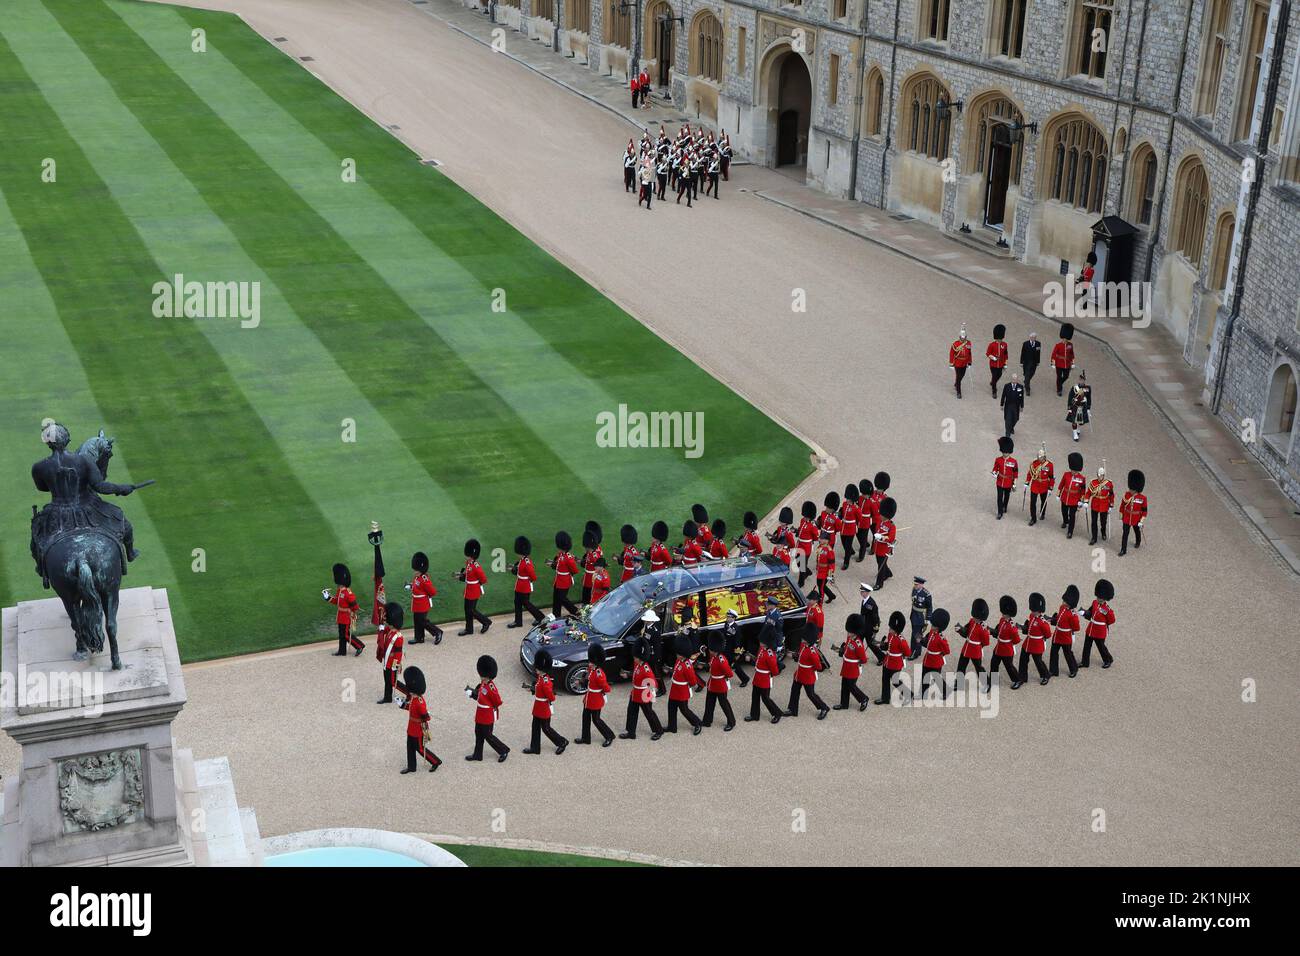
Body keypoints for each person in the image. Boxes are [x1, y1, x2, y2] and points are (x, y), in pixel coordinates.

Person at [522, 649, 569, 755]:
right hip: (538, 707)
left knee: (546, 728)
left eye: (538, 668)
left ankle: (562, 742)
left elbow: (551, 697)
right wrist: (533, 690)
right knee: (535, 728)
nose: (536, 669)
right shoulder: (541, 678)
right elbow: (539, 690)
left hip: (543, 708)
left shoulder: (545, 681)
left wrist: (545, 695)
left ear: (542, 669)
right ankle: (535, 748)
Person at [396, 666, 440, 774]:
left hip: (418, 729)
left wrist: (425, 725)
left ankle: (435, 761)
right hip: (411, 727)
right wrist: (402, 705)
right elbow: (411, 709)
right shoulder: (414, 698)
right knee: (410, 748)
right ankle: (411, 767)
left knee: (420, 749)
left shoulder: (420, 701)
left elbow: (425, 717)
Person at [466, 655, 509, 762]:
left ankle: (503, 750)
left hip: (487, 715)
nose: (482, 678)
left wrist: (489, 707)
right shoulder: (482, 684)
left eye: (483, 676)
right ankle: (477, 754)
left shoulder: (491, 688)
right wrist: (472, 694)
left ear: (488, 675)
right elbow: (480, 698)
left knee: (488, 735)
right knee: (478, 734)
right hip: (480, 714)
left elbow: (497, 701)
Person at [621, 638, 665, 740]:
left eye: (635, 657)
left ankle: (658, 730)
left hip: (644, 693)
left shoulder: (646, 669)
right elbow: (637, 674)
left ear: (640, 657)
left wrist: (649, 696)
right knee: (631, 712)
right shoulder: (638, 664)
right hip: (635, 692)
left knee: (649, 713)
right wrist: (628, 675)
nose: (634, 658)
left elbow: (653, 683)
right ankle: (631, 732)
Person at [576, 643, 616, 746]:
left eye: (591, 662)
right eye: (590, 662)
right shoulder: (591, 669)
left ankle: (609, 736)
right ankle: (585, 738)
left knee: (596, 720)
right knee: (585, 718)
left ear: (596, 663)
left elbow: (607, 688)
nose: (589, 664)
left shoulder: (599, 674)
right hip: (588, 698)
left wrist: (600, 690)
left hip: (595, 700)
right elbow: (588, 681)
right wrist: (580, 682)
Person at [785, 630, 830, 720]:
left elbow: (819, 667)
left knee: (811, 694)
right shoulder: (803, 646)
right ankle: (792, 709)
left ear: (808, 639)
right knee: (794, 691)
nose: (802, 638)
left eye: (804, 638)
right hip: (799, 674)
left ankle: (824, 708)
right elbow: (800, 657)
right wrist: (794, 656)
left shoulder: (813, 652)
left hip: (807, 676)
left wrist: (808, 668)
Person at [666, 633, 704, 734]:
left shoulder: (687, 665)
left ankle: (697, 723)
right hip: (675, 689)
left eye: (678, 653)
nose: (676, 654)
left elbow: (692, 681)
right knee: (671, 708)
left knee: (684, 710)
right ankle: (672, 726)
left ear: (682, 654)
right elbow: (676, 672)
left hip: (682, 691)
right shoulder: (679, 661)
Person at [744, 627, 784, 723]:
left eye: (762, 641)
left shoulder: (770, 654)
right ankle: (754, 715)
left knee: (765, 698)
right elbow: (759, 660)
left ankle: (776, 713)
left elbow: (774, 671)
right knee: (755, 696)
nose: (760, 642)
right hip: (758, 677)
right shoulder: (762, 649)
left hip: (765, 679)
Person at [324, 563, 365, 656]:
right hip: (340, 617)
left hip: (346, 617)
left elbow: (354, 605)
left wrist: (352, 613)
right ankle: (342, 651)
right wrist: (328, 598)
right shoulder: (340, 590)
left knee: (346, 635)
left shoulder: (347, 592)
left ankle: (359, 646)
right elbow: (336, 601)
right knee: (341, 635)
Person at [833, 614, 871, 711]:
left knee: (851, 686)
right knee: (844, 685)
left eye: (849, 631)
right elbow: (846, 649)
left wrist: (856, 662)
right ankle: (844, 704)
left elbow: (864, 659)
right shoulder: (849, 638)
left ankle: (863, 699)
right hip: (846, 665)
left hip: (853, 668)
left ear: (855, 632)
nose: (848, 633)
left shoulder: (858, 644)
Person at [701, 633, 737, 731]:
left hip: (720, 685)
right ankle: (707, 721)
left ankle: (731, 722)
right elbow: (711, 665)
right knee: (709, 703)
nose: (709, 650)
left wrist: (721, 677)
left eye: (711, 649)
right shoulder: (713, 656)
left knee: (724, 704)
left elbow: (730, 674)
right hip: (712, 683)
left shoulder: (722, 660)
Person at [508, 536, 546, 629]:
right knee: (517, 602)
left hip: (524, 586)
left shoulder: (527, 562)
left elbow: (533, 576)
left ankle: (540, 617)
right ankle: (518, 621)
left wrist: (526, 581)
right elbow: (519, 571)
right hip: (519, 585)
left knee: (526, 603)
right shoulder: (521, 561)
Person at [406, 552, 443, 645]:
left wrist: (425, 595)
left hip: (422, 603)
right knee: (417, 621)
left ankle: (437, 632)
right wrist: (410, 586)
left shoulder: (424, 579)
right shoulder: (417, 577)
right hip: (416, 603)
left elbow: (432, 592)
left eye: (416, 569)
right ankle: (419, 638)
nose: (414, 571)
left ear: (420, 569)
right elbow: (416, 586)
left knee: (423, 622)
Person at [954, 599, 991, 692]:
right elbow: (966, 632)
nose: (974, 618)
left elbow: (986, 642)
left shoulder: (983, 628)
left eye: (976, 617)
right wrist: (960, 629)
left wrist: (978, 646)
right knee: (961, 666)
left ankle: (987, 683)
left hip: (975, 650)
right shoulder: (972, 621)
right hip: (966, 647)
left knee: (979, 668)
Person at [456, 539, 491, 635]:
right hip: (468, 589)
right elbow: (467, 575)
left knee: (471, 610)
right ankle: (469, 629)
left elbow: (483, 579)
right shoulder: (468, 563)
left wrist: (474, 583)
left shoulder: (476, 566)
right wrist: (460, 576)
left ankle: (486, 622)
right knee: (467, 610)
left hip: (474, 590)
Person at [1080, 578, 1116, 669]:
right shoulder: (1095, 602)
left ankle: (1108, 659)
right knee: (1086, 646)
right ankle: (1085, 662)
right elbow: (1090, 612)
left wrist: (1103, 624)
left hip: (1099, 631)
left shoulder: (1106, 609)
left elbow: (1111, 620)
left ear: (1105, 598)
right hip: (1091, 629)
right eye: (1098, 597)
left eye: (1101, 598)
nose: (1099, 599)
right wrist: (1084, 612)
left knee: (1101, 647)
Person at [990, 596, 1024, 689]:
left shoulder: (1012, 627)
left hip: (1006, 650)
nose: (1002, 614)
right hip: (999, 647)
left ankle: (1018, 680)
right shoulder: (1002, 620)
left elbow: (1016, 640)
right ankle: (993, 681)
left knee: (1009, 667)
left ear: (1009, 614)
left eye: (1004, 613)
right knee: (994, 664)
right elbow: (999, 632)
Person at [1018, 593, 1052, 685]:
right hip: (1028, 642)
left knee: (1038, 662)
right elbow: (1029, 627)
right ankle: (1022, 678)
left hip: (1036, 645)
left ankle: (1045, 675)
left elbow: (1048, 635)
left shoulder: (1043, 622)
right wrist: (1022, 627)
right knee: (1023, 660)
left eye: (1034, 610)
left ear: (1039, 610)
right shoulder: (1032, 616)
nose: (1032, 612)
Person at [1049, 586, 1081, 678]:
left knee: (1068, 654)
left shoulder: (1073, 615)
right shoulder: (1062, 608)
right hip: (1057, 634)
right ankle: (1053, 670)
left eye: (1065, 601)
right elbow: (1059, 619)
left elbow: (1076, 628)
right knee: (1054, 652)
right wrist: (1052, 620)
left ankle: (1073, 669)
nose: (1063, 602)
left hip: (1066, 636)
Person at [878, 611, 910, 704]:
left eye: (891, 628)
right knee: (885, 679)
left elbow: (908, 652)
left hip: (895, 663)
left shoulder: (901, 640)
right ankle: (885, 698)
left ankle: (908, 695)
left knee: (895, 681)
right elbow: (889, 645)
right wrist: (882, 645)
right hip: (887, 661)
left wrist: (899, 655)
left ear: (896, 629)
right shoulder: (890, 635)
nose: (889, 629)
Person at [919, 608, 952, 700]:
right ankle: (923, 693)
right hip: (928, 659)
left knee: (936, 678)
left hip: (936, 661)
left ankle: (946, 691)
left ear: (938, 627)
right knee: (924, 676)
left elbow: (947, 650)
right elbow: (927, 643)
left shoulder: (941, 638)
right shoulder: (931, 632)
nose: (931, 626)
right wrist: (920, 640)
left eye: (933, 625)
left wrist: (939, 655)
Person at [376, 602, 405, 704]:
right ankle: (387, 697)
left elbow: (398, 654)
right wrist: (381, 624)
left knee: (393, 682)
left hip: (392, 664)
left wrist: (394, 666)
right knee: (387, 681)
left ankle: (409, 693)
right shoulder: (390, 630)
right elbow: (383, 630)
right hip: (386, 662)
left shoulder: (398, 637)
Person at [547, 531, 580, 618]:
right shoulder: (561, 554)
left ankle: (576, 611)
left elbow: (575, 570)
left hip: (564, 581)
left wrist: (566, 574)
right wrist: (552, 564)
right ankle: (555, 615)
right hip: (558, 580)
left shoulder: (568, 558)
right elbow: (558, 565)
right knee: (556, 598)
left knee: (562, 598)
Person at [1118, 469, 1149, 557]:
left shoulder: (1142, 498)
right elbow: (1122, 504)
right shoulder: (1127, 495)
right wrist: (1121, 514)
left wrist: (1141, 521)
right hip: (1127, 517)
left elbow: (1144, 511)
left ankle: (1138, 541)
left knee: (1137, 531)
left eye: (1132, 489)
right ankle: (1123, 550)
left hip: (1136, 518)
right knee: (1125, 534)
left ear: (1136, 489)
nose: (1130, 490)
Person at [1058, 452, 1086, 539]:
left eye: (1075, 470)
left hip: (1074, 500)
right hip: (1065, 497)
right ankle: (1065, 521)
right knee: (1064, 512)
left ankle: (1070, 531)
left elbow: (1083, 491)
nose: (1073, 472)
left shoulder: (1082, 479)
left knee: (1072, 516)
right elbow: (1061, 484)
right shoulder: (1066, 475)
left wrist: (1081, 501)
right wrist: (1058, 494)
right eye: (1072, 470)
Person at [1084, 464, 1114, 546]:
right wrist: (1086, 502)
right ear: (1097, 474)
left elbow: (1111, 495)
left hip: (1104, 504)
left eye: (1102, 475)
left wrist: (1111, 505)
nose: (1100, 477)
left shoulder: (1108, 484)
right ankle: (1094, 537)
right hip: (1095, 504)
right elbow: (1088, 493)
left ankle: (1103, 532)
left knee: (1103, 521)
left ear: (1104, 475)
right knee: (1094, 522)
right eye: (1099, 475)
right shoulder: (1093, 482)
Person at [1026, 445, 1055, 527]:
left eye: (1041, 457)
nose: (1039, 459)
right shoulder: (1034, 463)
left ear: (1044, 457)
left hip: (1044, 485)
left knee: (1043, 501)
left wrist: (1051, 487)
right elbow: (1030, 473)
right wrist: (1027, 482)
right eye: (1038, 457)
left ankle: (1042, 513)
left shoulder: (1049, 465)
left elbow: (1051, 477)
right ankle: (1033, 518)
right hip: (1035, 485)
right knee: (1032, 502)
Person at [872, 497, 898, 590]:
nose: (881, 515)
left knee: (880, 565)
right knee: (880, 562)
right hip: (877, 546)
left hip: (884, 549)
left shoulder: (891, 526)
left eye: (883, 515)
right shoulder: (880, 519)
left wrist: (883, 537)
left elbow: (891, 538)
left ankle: (879, 583)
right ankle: (888, 573)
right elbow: (876, 528)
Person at [721, 607, 750, 686]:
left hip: (731, 651)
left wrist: (737, 654)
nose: (727, 618)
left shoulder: (735, 628)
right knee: (724, 664)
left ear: (733, 618)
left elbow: (737, 642)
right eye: (727, 616)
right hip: (725, 649)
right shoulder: (726, 624)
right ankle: (724, 677)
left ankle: (745, 679)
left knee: (735, 666)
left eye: (729, 617)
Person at [992, 436, 1018, 520]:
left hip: (1008, 482)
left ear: (1009, 452)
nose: (1005, 453)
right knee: (999, 497)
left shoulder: (1014, 461)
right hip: (1000, 481)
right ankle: (1000, 512)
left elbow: (1015, 473)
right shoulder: (998, 459)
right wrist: (994, 473)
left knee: (1006, 496)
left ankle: (1005, 507)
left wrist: (1014, 483)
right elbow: (995, 468)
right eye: (1003, 452)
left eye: (1006, 452)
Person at [908, 576, 932, 659]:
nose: (915, 586)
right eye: (915, 584)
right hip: (914, 615)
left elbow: (929, 607)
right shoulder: (914, 589)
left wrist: (928, 619)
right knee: (916, 633)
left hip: (920, 617)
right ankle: (916, 651)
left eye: (917, 584)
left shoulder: (926, 594)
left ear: (921, 585)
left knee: (916, 635)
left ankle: (914, 652)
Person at [810, 531, 837, 604]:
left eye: (821, 538)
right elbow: (818, 558)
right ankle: (831, 595)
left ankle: (820, 602)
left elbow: (832, 564)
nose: (819, 539)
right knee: (821, 585)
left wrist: (830, 575)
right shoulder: (820, 547)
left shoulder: (829, 551)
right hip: (820, 570)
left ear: (826, 540)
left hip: (825, 572)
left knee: (821, 588)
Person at [837, 485, 861, 570]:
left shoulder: (856, 508)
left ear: (852, 499)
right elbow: (842, 513)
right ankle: (851, 551)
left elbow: (859, 518)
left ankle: (846, 562)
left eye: (848, 498)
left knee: (847, 546)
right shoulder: (844, 504)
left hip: (851, 529)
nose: (846, 500)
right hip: (843, 526)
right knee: (844, 542)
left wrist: (856, 526)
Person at [580, 521, 604, 604]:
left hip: (591, 577)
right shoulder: (595, 550)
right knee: (586, 594)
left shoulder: (594, 555)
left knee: (588, 595)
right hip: (588, 576)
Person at [795, 501, 818, 586]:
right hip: (799, 545)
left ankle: (801, 583)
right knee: (797, 562)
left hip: (806, 547)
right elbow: (800, 530)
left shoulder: (812, 526)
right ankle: (808, 572)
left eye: (805, 516)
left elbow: (816, 537)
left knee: (802, 566)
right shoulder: (802, 520)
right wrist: (796, 531)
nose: (803, 517)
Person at [854, 478, 876, 562]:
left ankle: (861, 556)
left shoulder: (871, 502)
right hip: (858, 521)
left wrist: (869, 519)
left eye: (866, 494)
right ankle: (866, 544)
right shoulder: (859, 498)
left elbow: (874, 513)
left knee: (862, 540)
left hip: (866, 523)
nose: (865, 495)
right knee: (858, 535)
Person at [1067, 370, 1092, 441]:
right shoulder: (1074, 387)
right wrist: (1069, 407)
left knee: (1081, 422)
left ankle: (1078, 428)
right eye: (1080, 380)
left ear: (1085, 380)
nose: (1081, 381)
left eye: (1083, 380)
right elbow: (1070, 397)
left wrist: (1088, 409)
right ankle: (1075, 434)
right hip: (1075, 406)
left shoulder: (1088, 388)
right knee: (1074, 421)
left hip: (1083, 406)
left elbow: (1089, 398)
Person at [1052, 323, 1076, 396]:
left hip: (1067, 363)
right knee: (1059, 377)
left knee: (1066, 376)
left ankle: (1059, 384)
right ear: (1062, 337)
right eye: (1064, 338)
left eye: (1066, 338)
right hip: (1059, 363)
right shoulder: (1058, 345)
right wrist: (1053, 363)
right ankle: (1059, 390)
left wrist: (1073, 363)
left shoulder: (1070, 345)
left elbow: (1072, 354)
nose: (1065, 339)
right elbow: (1053, 354)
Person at [949, 325, 973, 398]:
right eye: (962, 338)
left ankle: (956, 383)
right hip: (957, 362)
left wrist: (969, 362)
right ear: (959, 337)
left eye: (964, 338)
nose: (963, 339)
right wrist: (951, 364)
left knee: (962, 375)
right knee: (959, 377)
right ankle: (958, 392)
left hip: (964, 362)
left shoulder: (968, 343)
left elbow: (969, 353)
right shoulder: (955, 344)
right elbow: (951, 354)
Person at [986, 323, 1009, 398]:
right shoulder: (992, 345)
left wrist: (1005, 364)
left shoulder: (1005, 345)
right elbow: (988, 353)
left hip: (1001, 364)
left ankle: (993, 382)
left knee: (999, 375)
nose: (1000, 339)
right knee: (994, 376)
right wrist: (993, 358)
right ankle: (994, 391)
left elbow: (1006, 355)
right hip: (993, 365)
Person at [1000, 372, 1025, 438]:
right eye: (1013, 379)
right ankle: (1007, 434)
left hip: (1016, 406)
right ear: (1011, 379)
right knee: (1008, 419)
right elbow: (1003, 396)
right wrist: (1001, 404)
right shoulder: (1007, 386)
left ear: (1017, 380)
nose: (1014, 380)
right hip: (1008, 406)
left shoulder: (1020, 387)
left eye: (1015, 379)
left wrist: (1022, 406)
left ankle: (1011, 427)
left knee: (1016, 418)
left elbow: (1022, 397)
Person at [1020, 331, 1041, 397]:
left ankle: (1026, 381)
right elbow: (1022, 353)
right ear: (1030, 337)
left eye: (1034, 337)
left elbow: (1038, 353)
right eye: (1032, 337)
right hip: (1026, 362)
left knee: (1032, 373)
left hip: (1034, 362)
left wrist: (1038, 362)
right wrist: (1021, 362)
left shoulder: (1038, 343)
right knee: (1027, 375)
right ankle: (1027, 389)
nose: (1033, 338)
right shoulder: (1025, 344)